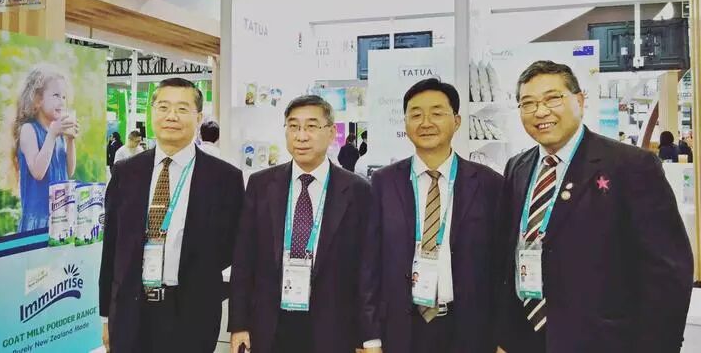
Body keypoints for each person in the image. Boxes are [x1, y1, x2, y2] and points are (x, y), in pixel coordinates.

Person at [496, 61, 693, 353]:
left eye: (552, 98)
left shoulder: (631, 165)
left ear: (579, 100)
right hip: (528, 340)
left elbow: (668, 271)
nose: (540, 111)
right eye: (528, 103)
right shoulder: (518, 167)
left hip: (605, 341)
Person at [99, 77, 244, 353]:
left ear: (198, 117)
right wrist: (107, 314)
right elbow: (112, 247)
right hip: (131, 310)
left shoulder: (225, 178)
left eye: (182, 109)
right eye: (163, 107)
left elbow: (233, 250)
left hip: (192, 313)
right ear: (152, 112)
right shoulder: (126, 173)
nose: (171, 116)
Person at [360, 78, 504, 353]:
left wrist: (503, 338)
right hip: (401, 328)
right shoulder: (383, 182)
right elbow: (369, 264)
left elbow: (500, 268)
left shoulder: (489, 184)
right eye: (415, 115)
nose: (425, 122)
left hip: (469, 330)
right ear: (405, 124)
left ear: (457, 121)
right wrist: (371, 338)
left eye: (437, 113)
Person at [229, 95, 372, 353]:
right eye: (293, 126)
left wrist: (367, 336)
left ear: (331, 133)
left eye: (311, 126)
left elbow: (366, 268)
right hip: (271, 325)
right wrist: (239, 324)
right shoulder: (261, 185)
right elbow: (244, 258)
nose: (301, 136)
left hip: (334, 327)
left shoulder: (357, 190)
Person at [13, 64, 79, 232]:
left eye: (64, 97)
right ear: (37, 100)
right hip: (38, 220)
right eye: (56, 95)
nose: (62, 101)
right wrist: (52, 135)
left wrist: (70, 141)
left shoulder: (57, 133)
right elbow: (38, 172)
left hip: (59, 216)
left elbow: (69, 171)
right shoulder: (29, 130)